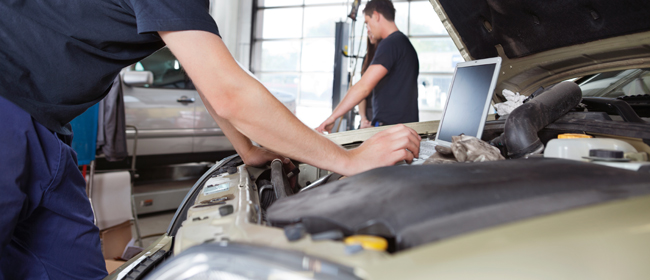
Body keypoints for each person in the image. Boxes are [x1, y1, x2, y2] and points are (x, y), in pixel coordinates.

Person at [0, 0, 420, 279]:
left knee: (74, 269)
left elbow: (205, 75)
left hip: (47, 132)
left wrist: (249, 150)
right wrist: (348, 161)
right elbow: (229, 92)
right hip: (8, 115)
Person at [316, 0, 420, 133]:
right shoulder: (405, 45)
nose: (368, 29)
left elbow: (363, 87)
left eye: (367, 23)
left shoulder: (390, 44)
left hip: (393, 131)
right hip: (404, 130)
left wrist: (332, 117)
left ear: (376, 16)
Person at [358, 34, 381, 129]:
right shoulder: (367, 58)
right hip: (369, 113)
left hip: (382, 116)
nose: (368, 30)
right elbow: (362, 91)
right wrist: (363, 118)